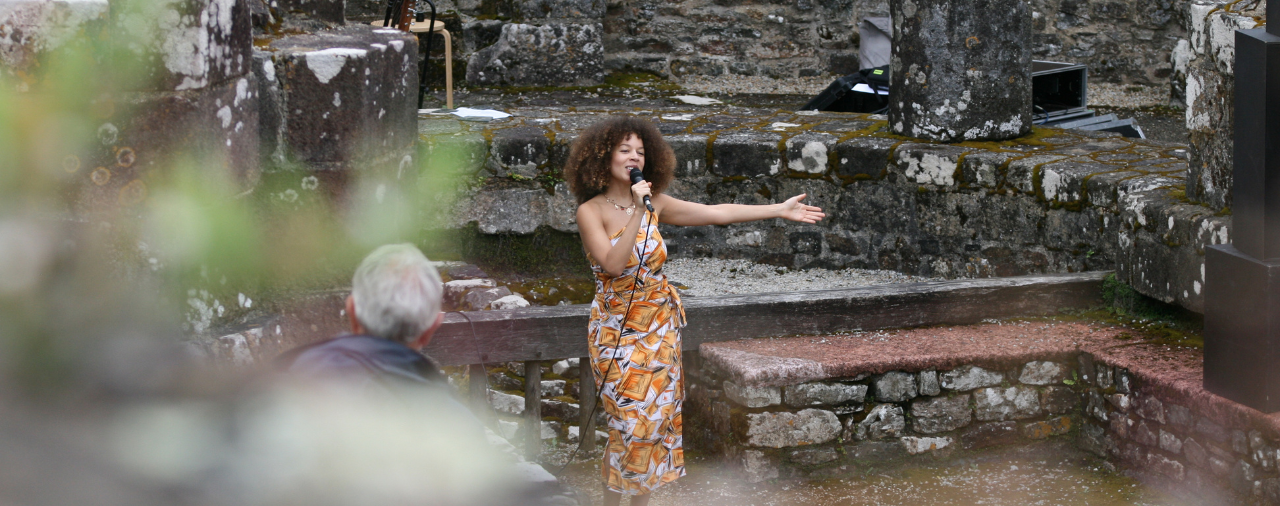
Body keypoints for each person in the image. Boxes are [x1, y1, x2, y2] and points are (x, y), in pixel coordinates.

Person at [564, 116, 825, 505]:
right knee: (630, 424)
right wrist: (639, 213)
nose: (634, 157)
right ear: (602, 157)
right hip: (616, 331)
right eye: (625, 150)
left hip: (659, 326)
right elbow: (614, 264)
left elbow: (717, 213)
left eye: (640, 152)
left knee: (655, 424)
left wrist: (777, 209)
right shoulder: (591, 211)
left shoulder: (656, 202)